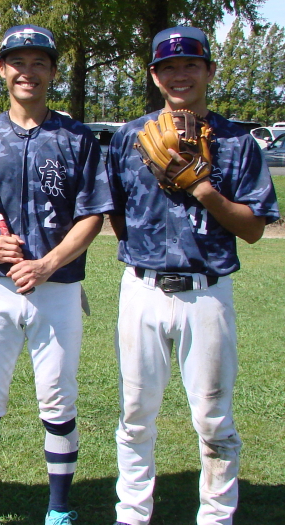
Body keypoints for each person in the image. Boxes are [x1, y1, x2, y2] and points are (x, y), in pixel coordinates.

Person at [106, 26, 280, 525]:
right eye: (168, 67)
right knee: (135, 414)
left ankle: (217, 516)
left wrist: (203, 189)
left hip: (207, 293)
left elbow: (253, 229)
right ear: (154, 75)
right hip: (142, 288)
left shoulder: (238, 142)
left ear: (209, 70)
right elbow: (115, 213)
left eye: (190, 64)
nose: (179, 75)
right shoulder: (129, 137)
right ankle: (132, 514)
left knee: (213, 417)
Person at [0, 25, 114, 525]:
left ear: (53, 72)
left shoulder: (76, 138)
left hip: (56, 288)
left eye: (39, 62)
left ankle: (59, 510)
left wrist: (48, 263)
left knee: (58, 402)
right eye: (18, 62)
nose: (28, 72)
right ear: (3, 70)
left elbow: (92, 215)